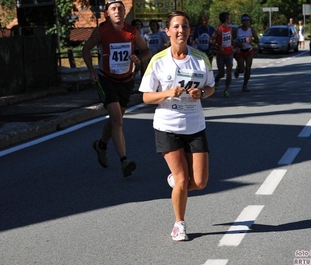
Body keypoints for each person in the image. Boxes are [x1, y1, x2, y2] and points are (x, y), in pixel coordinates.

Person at [138, 10, 215, 241]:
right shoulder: (158, 60)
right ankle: (179, 224)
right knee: (182, 179)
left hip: (195, 125)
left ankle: (176, 185)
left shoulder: (201, 58)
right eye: (176, 27)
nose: (181, 30)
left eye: (185, 27)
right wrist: (167, 93)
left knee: (200, 183)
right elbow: (145, 97)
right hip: (167, 126)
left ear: (189, 31)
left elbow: (210, 87)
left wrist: (201, 92)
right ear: (168, 31)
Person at [82, 0, 151, 177]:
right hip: (106, 80)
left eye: (120, 8)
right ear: (107, 13)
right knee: (118, 121)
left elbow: (146, 51)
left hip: (126, 81)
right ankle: (124, 161)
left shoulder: (131, 31)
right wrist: (91, 71)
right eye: (113, 9)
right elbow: (86, 48)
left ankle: (101, 145)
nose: (117, 11)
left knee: (116, 118)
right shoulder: (102, 31)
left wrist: (139, 59)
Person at [210, 12, 234, 97]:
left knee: (229, 72)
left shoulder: (230, 29)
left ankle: (226, 90)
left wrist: (234, 47)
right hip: (220, 54)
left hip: (229, 53)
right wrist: (218, 46)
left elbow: (231, 40)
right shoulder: (219, 30)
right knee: (221, 73)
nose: (230, 19)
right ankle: (216, 81)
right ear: (226, 19)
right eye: (229, 18)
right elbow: (211, 40)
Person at [233, 14, 259, 92]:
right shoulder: (237, 30)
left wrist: (252, 40)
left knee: (248, 68)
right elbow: (232, 41)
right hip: (240, 51)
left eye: (247, 20)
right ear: (241, 21)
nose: (245, 22)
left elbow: (257, 40)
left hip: (249, 50)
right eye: (244, 20)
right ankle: (238, 70)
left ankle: (245, 85)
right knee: (242, 69)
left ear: (249, 21)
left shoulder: (251, 30)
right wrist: (238, 45)